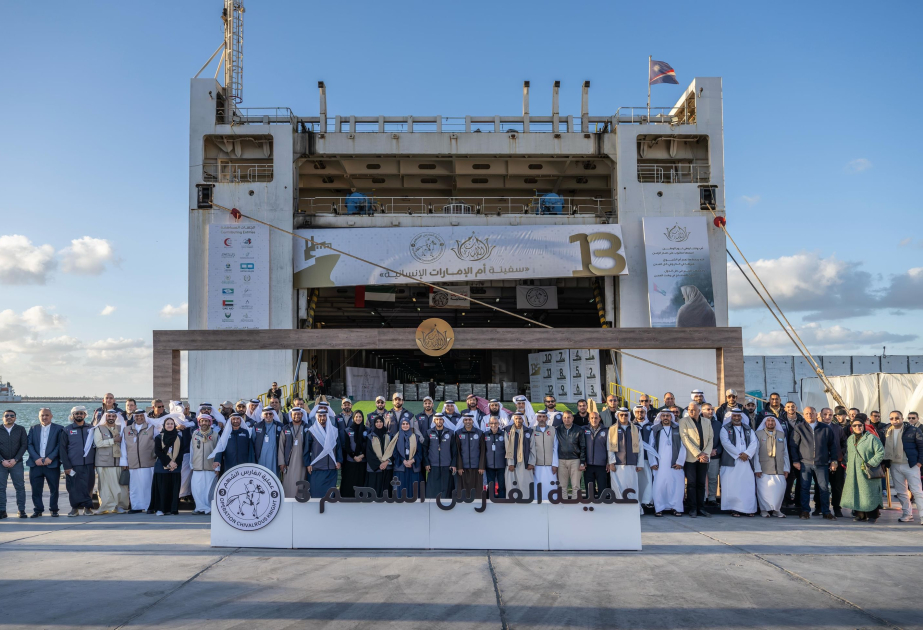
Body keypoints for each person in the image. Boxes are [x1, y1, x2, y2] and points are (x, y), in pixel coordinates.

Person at [790, 406, 838, 520]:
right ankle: (805, 511)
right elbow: (793, 446)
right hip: (805, 463)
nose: (809, 415)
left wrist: (834, 460)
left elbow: (833, 446)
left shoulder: (825, 428)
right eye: (806, 413)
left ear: (816, 414)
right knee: (804, 488)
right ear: (804, 415)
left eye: (811, 413)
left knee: (824, 488)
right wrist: (795, 461)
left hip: (822, 463)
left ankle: (826, 511)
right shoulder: (799, 428)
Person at [882, 411, 923, 524]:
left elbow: (921, 446)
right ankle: (907, 514)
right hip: (894, 464)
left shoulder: (913, 430)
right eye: (892, 418)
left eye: (897, 418)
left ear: (902, 418)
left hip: (911, 464)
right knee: (901, 492)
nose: (894, 420)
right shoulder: (887, 430)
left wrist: (920, 462)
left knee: (917, 491)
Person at [841, 419, 885, 522]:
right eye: (854, 425)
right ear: (851, 427)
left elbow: (880, 452)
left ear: (863, 426)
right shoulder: (850, 439)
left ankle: (873, 515)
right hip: (853, 471)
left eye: (860, 425)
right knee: (856, 492)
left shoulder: (872, 438)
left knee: (870, 493)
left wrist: (870, 464)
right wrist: (847, 465)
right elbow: (848, 453)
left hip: (868, 471)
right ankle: (860, 515)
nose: (857, 427)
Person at [719, 408, 759, 517]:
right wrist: (739, 454)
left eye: (738, 416)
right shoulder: (725, 429)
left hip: (746, 461)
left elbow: (754, 443)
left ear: (742, 417)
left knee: (747, 485)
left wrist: (747, 454)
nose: (737, 418)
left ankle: (748, 508)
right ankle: (734, 509)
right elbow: (725, 443)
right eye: (734, 416)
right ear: (731, 417)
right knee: (733, 485)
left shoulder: (748, 429)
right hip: (732, 462)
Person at [26, 408, 63, 518]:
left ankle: (54, 509)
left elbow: (60, 445)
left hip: (51, 464)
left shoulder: (59, 428)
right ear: (39, 416)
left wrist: (50, 457)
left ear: (51, 416)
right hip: (35, 464)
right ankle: (38, 509)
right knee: (36, 489)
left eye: (47, 415)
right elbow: (29, 444)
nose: (44, 417)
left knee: (54, 489)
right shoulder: (33, 428)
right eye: (42, 415)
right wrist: (36, 458)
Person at [60, 407, 96, 517]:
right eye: (77, 413)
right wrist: (66, 466)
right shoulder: (67, 430)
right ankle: (74, 508)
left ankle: (88, 508)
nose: (79, 415)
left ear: (85, 415)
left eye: (81, 413)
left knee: (89, 486)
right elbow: (62, 449)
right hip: (74, 465)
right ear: (73, 415)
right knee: (73, 487)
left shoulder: (92, 429)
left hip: (89, 464)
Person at [649, 411, 686, 516]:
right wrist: (653, 462)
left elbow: (684, 446)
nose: (665, 418)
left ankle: (676, 507)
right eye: (663, 416)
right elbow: (650, 447)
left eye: (668, 416)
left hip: (675, 464)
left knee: (676, 485)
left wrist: (680, 462)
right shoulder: (655, 430)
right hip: (660, 464)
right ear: (660, 417)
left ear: (671, 417)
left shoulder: (678, 428)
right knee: (659, 486)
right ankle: (659, 508)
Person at [679, 402, 712, 518]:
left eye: (694, 410)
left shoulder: (707, 422)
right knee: (691, 483)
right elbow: (685, 439)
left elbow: (710, 438)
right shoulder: (683, 421)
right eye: (689, 410)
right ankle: (692, 508)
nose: (691, 412)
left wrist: (705, 454)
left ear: (699, 411)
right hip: (691, 458)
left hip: (704, 458)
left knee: (701, 483)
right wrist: (698, 454)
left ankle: (701, 508)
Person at [120, 408, 156, 514]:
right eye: (137, 416)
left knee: (147, 485)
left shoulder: (151, 428)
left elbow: (158, 443)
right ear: (134, 417)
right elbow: (123, 446)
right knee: (134, 486)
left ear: (144, 417)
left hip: (148, 463)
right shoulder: (127, 429)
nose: (139, 418)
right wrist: (124, 462)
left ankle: (149, 506)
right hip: (133, 463)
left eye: (141, 416)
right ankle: (136, 506)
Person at [754, 415, 789, 517]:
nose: (770, 423)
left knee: (779, 490)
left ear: (776, 423)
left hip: (779, 468)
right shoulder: (758, 434)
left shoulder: (781, 435)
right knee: (764, 491)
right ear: (765, 422)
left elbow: (785, 453)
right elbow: (755, 453)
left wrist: (786, 468)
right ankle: (764, 510)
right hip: (763, 468)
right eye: (768, 421)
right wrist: (757, 468)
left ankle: (776, 510)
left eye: (772, 421)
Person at [94, 409, 127, 514]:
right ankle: (104, 507)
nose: (111, 418)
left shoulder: (120, 428)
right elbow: (98, 443)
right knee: (104, 486)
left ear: (116, 417)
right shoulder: (99, 428)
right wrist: (113, 440)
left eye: (113, 416)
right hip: (103, 462)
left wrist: (126, 462)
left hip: (117, 462)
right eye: (109, 416)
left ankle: (117, 506)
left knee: (117, 486)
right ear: (105, 417)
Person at [607, 408, 641, 507]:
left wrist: (639, 464)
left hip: (632, 463)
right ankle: (619, 507)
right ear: (618, 416)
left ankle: (633, 508)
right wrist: (611, 462)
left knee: (632, 486)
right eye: (621, 415)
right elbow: (609, 447)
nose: (624, 417)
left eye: (626, 415)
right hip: (618, 464)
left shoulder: (635, 429)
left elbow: (640, 447)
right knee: (618, 487)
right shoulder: (612, 429)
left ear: (629, 416)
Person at [304, 408, 341, 498]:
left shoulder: (334, 431)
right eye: (320, 416)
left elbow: (338, 447)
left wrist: (339, 461)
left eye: (324, 416)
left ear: (327, 417)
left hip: (331, 468)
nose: (322, 418)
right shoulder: (312, 431)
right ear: (317, 417)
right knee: (316, 494)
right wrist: (308, 464)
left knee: (330, 495)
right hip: (317, 468)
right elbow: (306, 449)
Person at [152, 417, 185, 515]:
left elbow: (181, 452)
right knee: (162, 488)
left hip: (175, 467)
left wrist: (175, 464)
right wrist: (169, 463)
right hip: (162, 466)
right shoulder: (159, 437)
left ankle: (173, 509)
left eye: (171, 424)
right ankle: (160, 509)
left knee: (174, 488)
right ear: (164, 426)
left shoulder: (179, 437)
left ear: (174, 425)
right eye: (168, 424)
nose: (170, 425)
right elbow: (158, 451)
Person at [0, 409, 28, 519]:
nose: (9, 417)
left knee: (20, 487)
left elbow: (24, 445)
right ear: (3, 417)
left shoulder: (20, 429)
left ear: (15, 418)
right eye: (7, 415)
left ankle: (21, 510)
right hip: (1, 464)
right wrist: (2, 460)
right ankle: (2, 510)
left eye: (12, 416)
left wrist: (15, 459)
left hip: (17, 463)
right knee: (1, 488)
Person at [189, 414, 219, 514]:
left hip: (210, 467)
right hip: (197, 467)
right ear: (199, 422)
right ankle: (199, 508)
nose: (204, 423)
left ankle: (210, 508)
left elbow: (218, 451)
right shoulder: (195, 434)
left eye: (206, 421)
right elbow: (191, 450)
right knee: (197, 489)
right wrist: (191, 464)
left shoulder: (215, 434)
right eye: (202, 421)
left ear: (210, 422)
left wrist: (217, 468)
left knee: (209, 490)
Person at [278, 407, 309, 498]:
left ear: (302, 415)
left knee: (302, 482)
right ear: (291, 416)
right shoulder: (285, 428)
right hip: (289, 462)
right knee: (288, 483)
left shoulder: (307, 428)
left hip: (303, 461)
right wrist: (282, 463)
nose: (297, 416)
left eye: (299, 414)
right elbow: (281, 447)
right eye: (294, 414)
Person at [820, 407, 846, 517]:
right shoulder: (817, 427)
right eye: (825, 414)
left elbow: (844, 442)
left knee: (837, 486)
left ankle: (837, 508)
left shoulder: (838, 428)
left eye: (830, 415)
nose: (827, 417)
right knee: (821, 486)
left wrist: (840, 453)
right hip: (821, 462)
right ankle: (819, 507)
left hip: (837, 462)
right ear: (821, 415)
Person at [555, 411, 586, 500]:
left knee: (576, 485)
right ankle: (563, 504)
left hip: (575, 460)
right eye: (565, 417)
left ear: (572, 418)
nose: (567, 419)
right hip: (561, 460)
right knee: (562, 485)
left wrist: (582, 462)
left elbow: (583, 446)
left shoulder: (579, 430)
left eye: (569, 417)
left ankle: (575, 504)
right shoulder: (557, 429)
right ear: (562, 418)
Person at [424, 413, 456, 498]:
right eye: (437, 419)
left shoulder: (450, 433)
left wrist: (453, 464)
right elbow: (424, 449)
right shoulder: (428, 432)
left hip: (446, 465)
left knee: (446, 487)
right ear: (434, 421)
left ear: (443, 421)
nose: (439, 421)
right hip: (433, 465)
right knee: (433, 488)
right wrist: (426, 463)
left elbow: (454, 450)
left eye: (441, 419)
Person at [505, 413, 534, 497]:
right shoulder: (507, 430)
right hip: (511, 461)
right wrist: (510, 463)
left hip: (524, 462)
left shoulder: (529, 431)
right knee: (512, 485)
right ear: (513, 420)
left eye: (520, 419)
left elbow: (532, 448)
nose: (518, 421)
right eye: (516, 419)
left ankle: (526, 504)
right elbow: (507, 447)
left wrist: (531, 462)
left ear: (523, 420)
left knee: (524, 485)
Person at [455, 413, 485, 495]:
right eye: (466, 420)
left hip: (477, 468)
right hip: (463, 468)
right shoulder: (458, 433)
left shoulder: (480, 433)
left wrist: (481, 466)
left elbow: (483, 451)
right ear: (463, 421)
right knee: (463, 490)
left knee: (477, 490)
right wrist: (459, 467)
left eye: (470, 420)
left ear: (473, 421)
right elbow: (457, 451)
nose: (468, 421)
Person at [340, 410, 367, 498]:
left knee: (361, 479)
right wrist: (354, 456)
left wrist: (362, 455)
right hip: (351, 460)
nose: (358, 418)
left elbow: (368, 446)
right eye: (356, 417)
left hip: (363, 460)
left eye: (360, 417)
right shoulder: (348, 430)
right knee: (350, 480)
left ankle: (361, 496)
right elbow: (347, 446)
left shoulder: (367, 430)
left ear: (362, 418)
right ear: (353, 418)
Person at [366, 415, 395, 496]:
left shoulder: (389, 435)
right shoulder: (370, 436)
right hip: (375, 468)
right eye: (377, 422)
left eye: (381, 422)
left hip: (387, 467)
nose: (379, 424)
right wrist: (379, 465)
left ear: (383, 423)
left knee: (386, 491)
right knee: (375, 491)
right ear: (374, 424)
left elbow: (392, 450)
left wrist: (386, 462)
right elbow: (369, 453)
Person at [392, 417, 422, 495]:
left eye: (407, 424)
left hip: (413, 467)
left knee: (413, 490)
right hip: (401, 466)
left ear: (410, 425)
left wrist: (412, 460)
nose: (405, 426)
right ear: (400, 425)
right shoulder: (396, 437)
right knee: (401, 491)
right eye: (403, 424)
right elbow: (395, 452)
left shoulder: (416, 437)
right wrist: (404, 460)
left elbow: (420, 452)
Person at [633, 405, 655, 507]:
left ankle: (646, 501)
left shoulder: (651, 425)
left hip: (647, 458)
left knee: (647, 480)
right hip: (635, 459)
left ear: (645, 413)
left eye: (642, 412)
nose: (640, 414)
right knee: (637, 481)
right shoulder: (631, 426)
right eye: (637, 412)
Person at [583, 411, 609, 497]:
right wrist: (583, 461)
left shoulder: (606, 430)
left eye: (596, 418)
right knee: (589, 489)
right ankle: (590, 506)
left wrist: (608, 462)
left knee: (602, 488)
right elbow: (581, 447)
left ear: (599, 419)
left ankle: (602, 507)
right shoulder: (583, 430)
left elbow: (609, 448)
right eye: (592, 418)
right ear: (589, 419)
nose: (594, 420)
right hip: (588, 465)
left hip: (601, 465)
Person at [703, 403, 723, 506]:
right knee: (701, 477)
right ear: (702, 411)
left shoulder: (718, 424)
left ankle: (711, 498)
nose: (710, 411)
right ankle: (702, 498)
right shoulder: (698, 423)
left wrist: (717, 450)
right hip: (701, 456)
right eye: (708, 409)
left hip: (715, 455)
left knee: (713, 477)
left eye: (712, 409)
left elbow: (722, 440)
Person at [253, 408, 283, 475]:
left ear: (273, 415)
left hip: (274, 456)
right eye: (266, 414)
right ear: (263, 415)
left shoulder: (280, 426)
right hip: (261, 457)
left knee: (274, 475)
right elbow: (253, 441)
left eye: (270, 414)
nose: (268, 415)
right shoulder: (256, 426)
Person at [483, 417, 507, 498]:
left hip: (501, 465)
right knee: (491, 485)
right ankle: (491, 501)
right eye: (492, 423)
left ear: (499, 424)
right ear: (489, 424)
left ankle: (502, 500)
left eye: (496, 423)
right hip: (489, 465)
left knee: (502, 485)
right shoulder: (485, 435)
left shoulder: (504, 434)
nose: (494, 425)